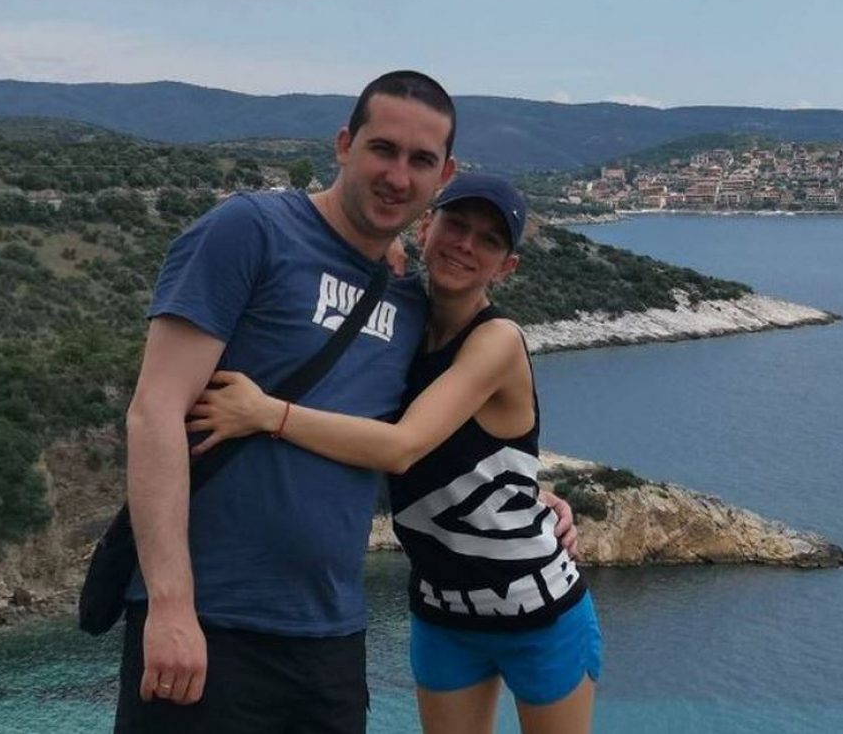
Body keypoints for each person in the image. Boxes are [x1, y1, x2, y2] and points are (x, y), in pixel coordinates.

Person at [116, 71, 575, 734]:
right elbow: (153, 410)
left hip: (329, 641)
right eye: (382, 149)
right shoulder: (251, 229)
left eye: (420, 160)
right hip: (211, 623)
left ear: (442, 176)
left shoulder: (408, 301)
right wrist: (170, 604)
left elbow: (421, 435)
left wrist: (532, 496)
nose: (397, 176)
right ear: (343, 144)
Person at [189, 174, 601, 734]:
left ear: (506, 267)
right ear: (426, 226)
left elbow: (403, 448)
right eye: (456, 225)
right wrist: (535, 493)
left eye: (488, 240)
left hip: (539, 611)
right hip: (444, 613)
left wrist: (267, 413)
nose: (465, 244)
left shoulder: (497, 340)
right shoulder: (402, 322)